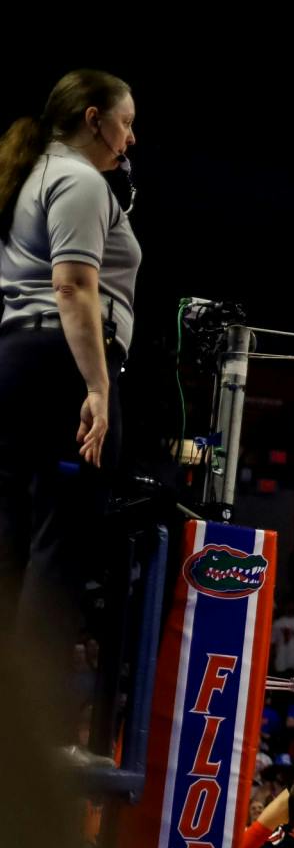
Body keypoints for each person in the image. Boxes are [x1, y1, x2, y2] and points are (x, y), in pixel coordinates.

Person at [0, 70, 140, 685]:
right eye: (125, 122)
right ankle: (29, 713)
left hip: (17, 360)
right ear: (92, 119)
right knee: (62, 543)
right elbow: (73, 285)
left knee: (11, 533)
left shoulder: (30, 174)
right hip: (64, 365)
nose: (130, 138)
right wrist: (98, 388)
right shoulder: (79, 180)